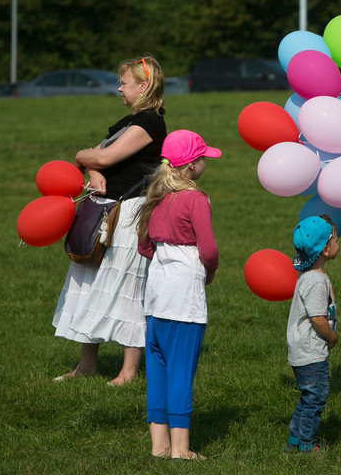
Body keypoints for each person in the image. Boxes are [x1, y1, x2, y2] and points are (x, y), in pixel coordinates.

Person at [53, 56, 167, 386]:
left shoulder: (150, 123)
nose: (119, 88)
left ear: (143, 86)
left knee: (128, 286)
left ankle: (128, 372)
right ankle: (86, 365)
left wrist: (84, 159)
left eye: (125, 83)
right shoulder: (126, 123)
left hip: (130, 213)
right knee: (89, 282)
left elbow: (100, 155)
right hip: (104, 210)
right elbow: (96, 158)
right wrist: (90, 168)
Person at [136, 129, 221, 460]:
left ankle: (159, 446)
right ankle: (181, 449)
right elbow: (209, 249)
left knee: (157, 371)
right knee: (181, 372)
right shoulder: (196, 199)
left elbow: (145, 246)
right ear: (192, 166)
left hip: (155, 299)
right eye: (203, 159)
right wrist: (210, 269)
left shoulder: (155, 196)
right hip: (184, 300)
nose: (204, 165)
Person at [285, 215, 339, 454]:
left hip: (302, 349)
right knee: (316, 396)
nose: (339, 243)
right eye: (335, 240)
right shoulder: (316, 281)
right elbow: (318, 318)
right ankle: (306, 444)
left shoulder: (307, 276)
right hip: (310, 350)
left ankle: (294, 440)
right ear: (325, 249)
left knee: (308, 396)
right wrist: (332, 336)